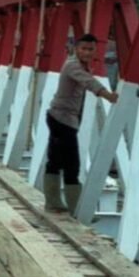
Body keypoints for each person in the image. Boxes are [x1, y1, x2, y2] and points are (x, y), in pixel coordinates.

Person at [44, 33, 118, 215]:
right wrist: (108, 95)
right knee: (72, 164)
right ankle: (76, 210)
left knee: (55, 161)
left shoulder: (79, 65)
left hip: (58, 117)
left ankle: (53, 203)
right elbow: (89, 82)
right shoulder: (73, 65)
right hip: (63, 120)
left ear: (95, 51)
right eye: (83, 49)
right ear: (76, 49)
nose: (87, 52)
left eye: (90, 49)